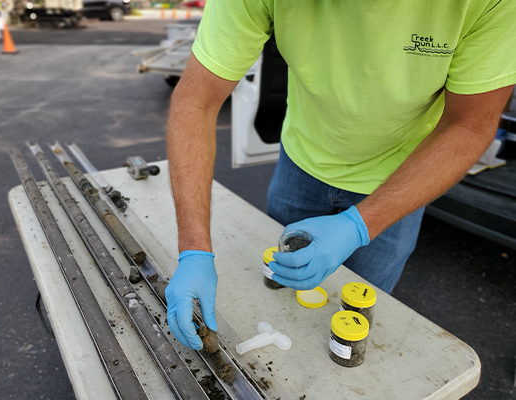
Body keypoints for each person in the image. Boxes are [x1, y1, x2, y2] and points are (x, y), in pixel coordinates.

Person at [164, 0, 516, 350]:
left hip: (401, 180)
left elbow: (470, 124)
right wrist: (193, 250)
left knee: (355, 318)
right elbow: (196, 100)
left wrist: (359, 225)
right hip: (300, 164)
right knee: (279, 295)